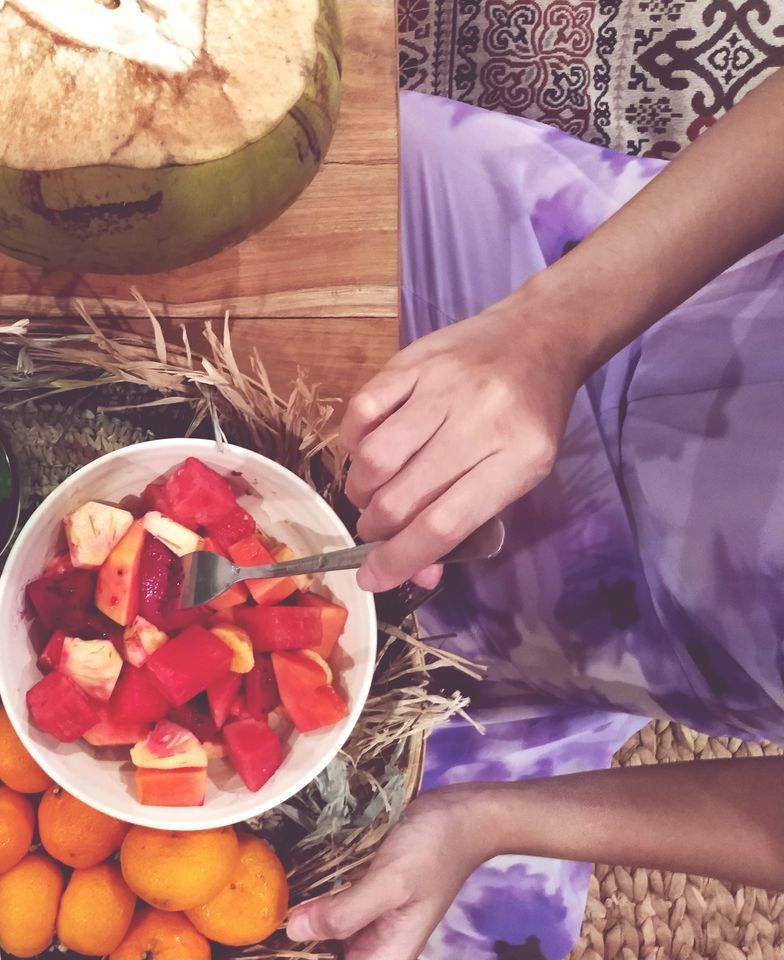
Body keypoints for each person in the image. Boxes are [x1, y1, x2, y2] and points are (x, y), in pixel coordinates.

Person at [286, 70, 784, 960]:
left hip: (594, 670)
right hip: (594, 281)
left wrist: (478, 821)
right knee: (249, 167)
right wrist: (547, 333)